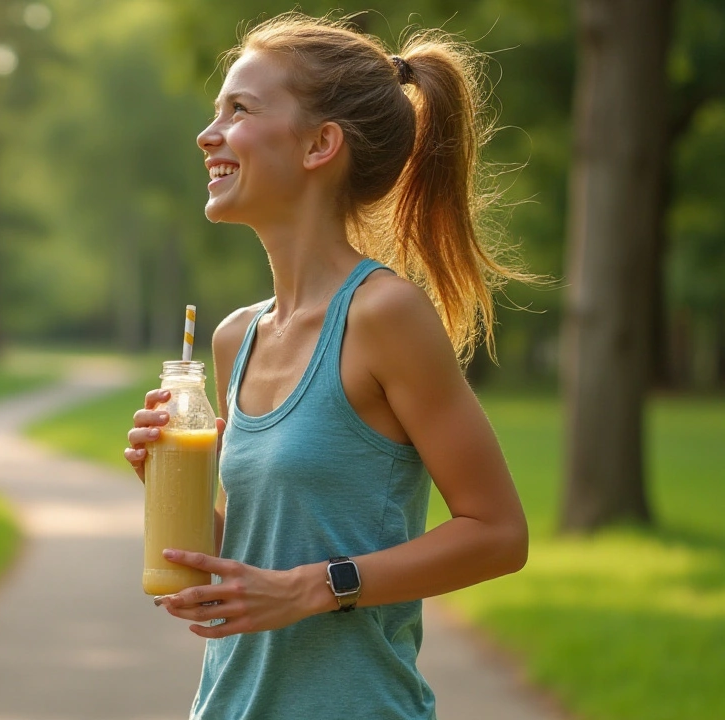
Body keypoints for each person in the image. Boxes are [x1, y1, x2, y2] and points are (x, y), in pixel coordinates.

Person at [123, 12, 532, 720]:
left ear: (320, 144)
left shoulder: (383, 316)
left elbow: (498, 533)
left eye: (239, 109)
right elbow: (253, 564)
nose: (207, 133)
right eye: (214, 111)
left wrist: (319, 586)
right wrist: (168, 487)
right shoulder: (235, 337)